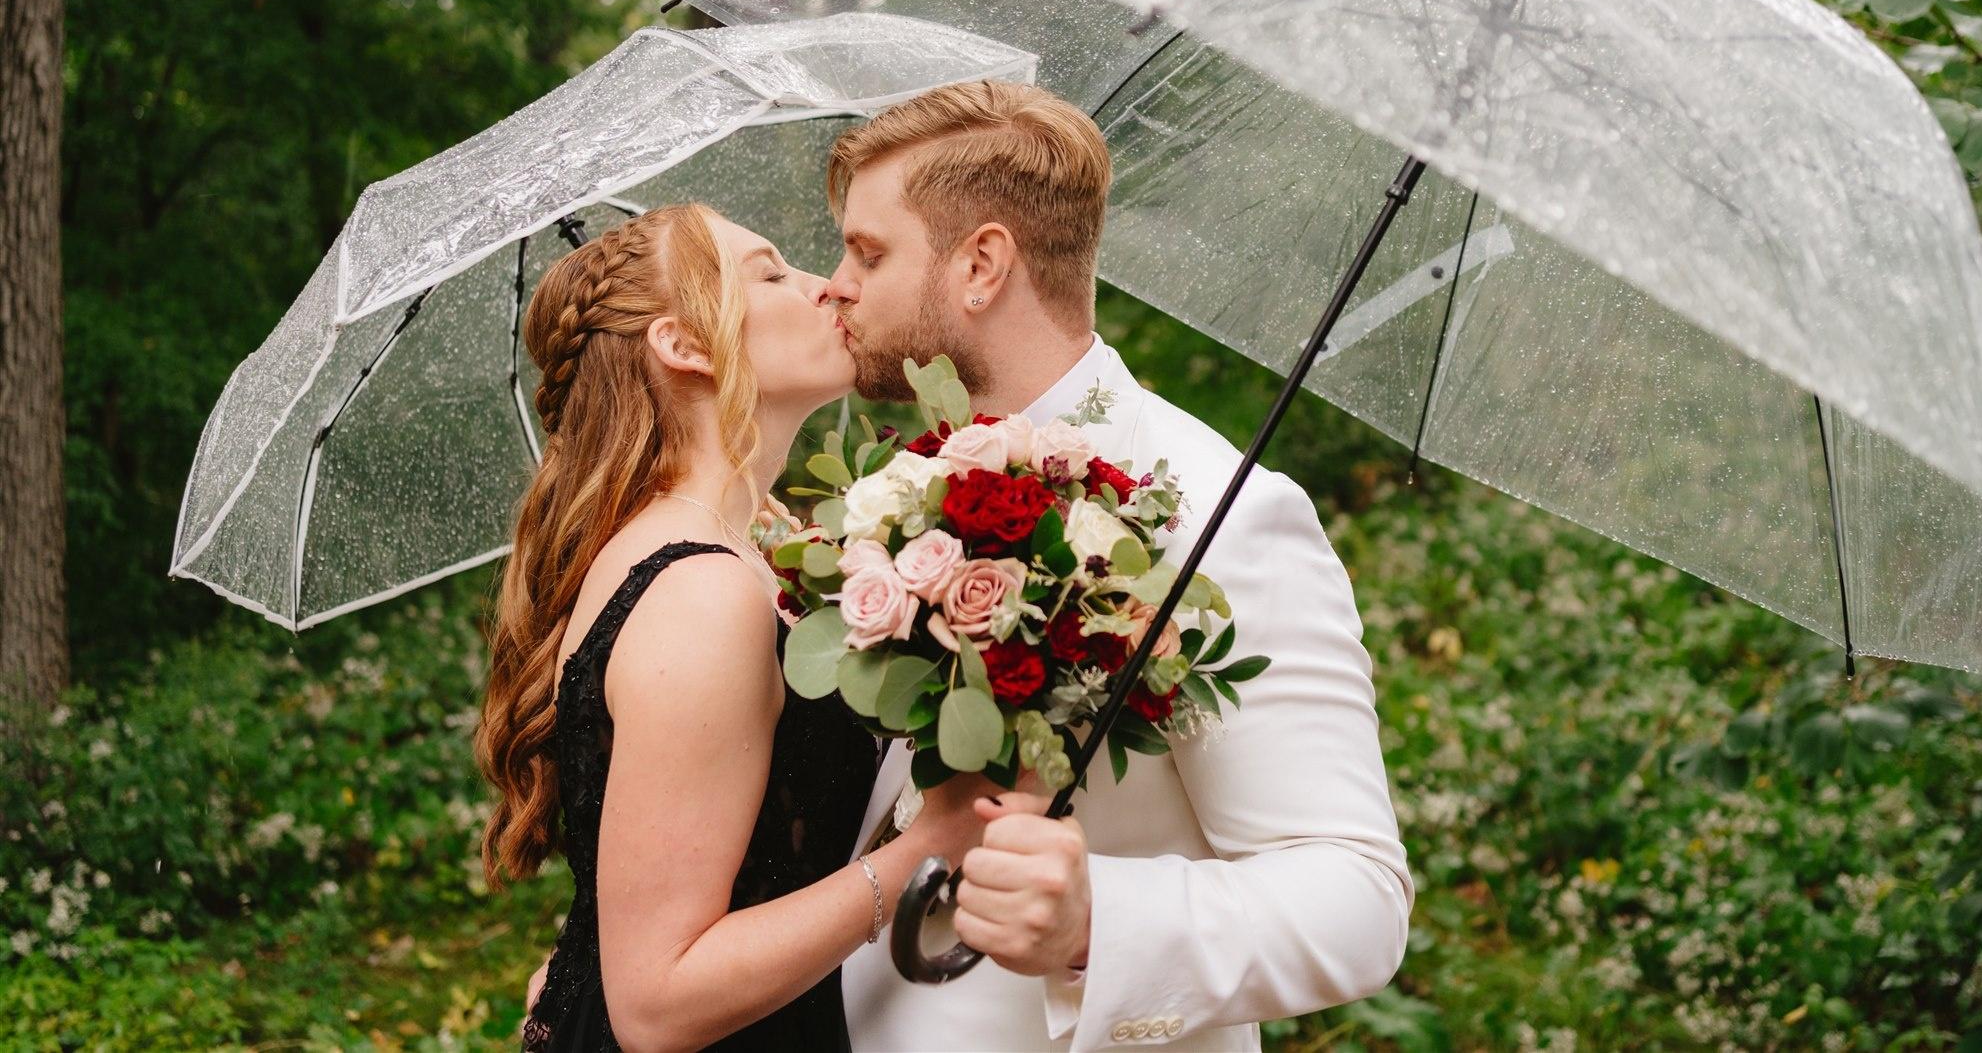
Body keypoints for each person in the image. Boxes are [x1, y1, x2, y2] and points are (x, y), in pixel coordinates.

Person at [823, 80, 1414, 1051]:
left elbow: (1355, 895)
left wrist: (1096, 919)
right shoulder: (892, 488)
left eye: (867, 252)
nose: (833, 283)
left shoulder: (1224, 515)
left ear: (980, 265)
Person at [475, 202, 991, 1053]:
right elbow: (657, 1001)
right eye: (772, 271)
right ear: (683, 344)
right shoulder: (699, 592)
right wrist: (923, 849)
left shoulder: (728, 551)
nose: (828, 287)